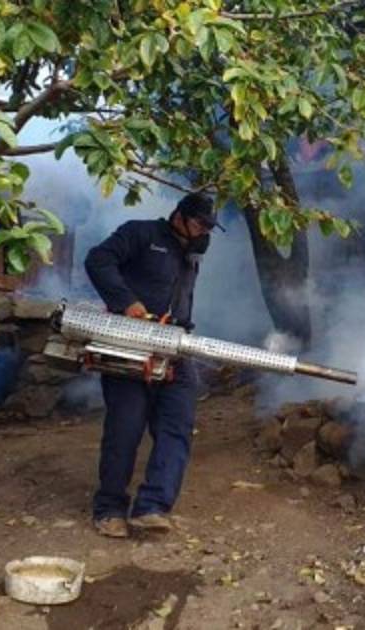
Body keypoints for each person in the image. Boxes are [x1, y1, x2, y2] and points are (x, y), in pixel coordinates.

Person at [83, 192, 224, 538]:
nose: (204, 231)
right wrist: (127, 302)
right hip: (130, 345)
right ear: (180, 216)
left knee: (177, 426)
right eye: (200, 224)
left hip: (175, 347)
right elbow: (98, 260)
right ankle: (109, 509)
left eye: (209, 227)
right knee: (125, 428)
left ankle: (153, 506)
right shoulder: (140, 233)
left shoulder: (192, 253)